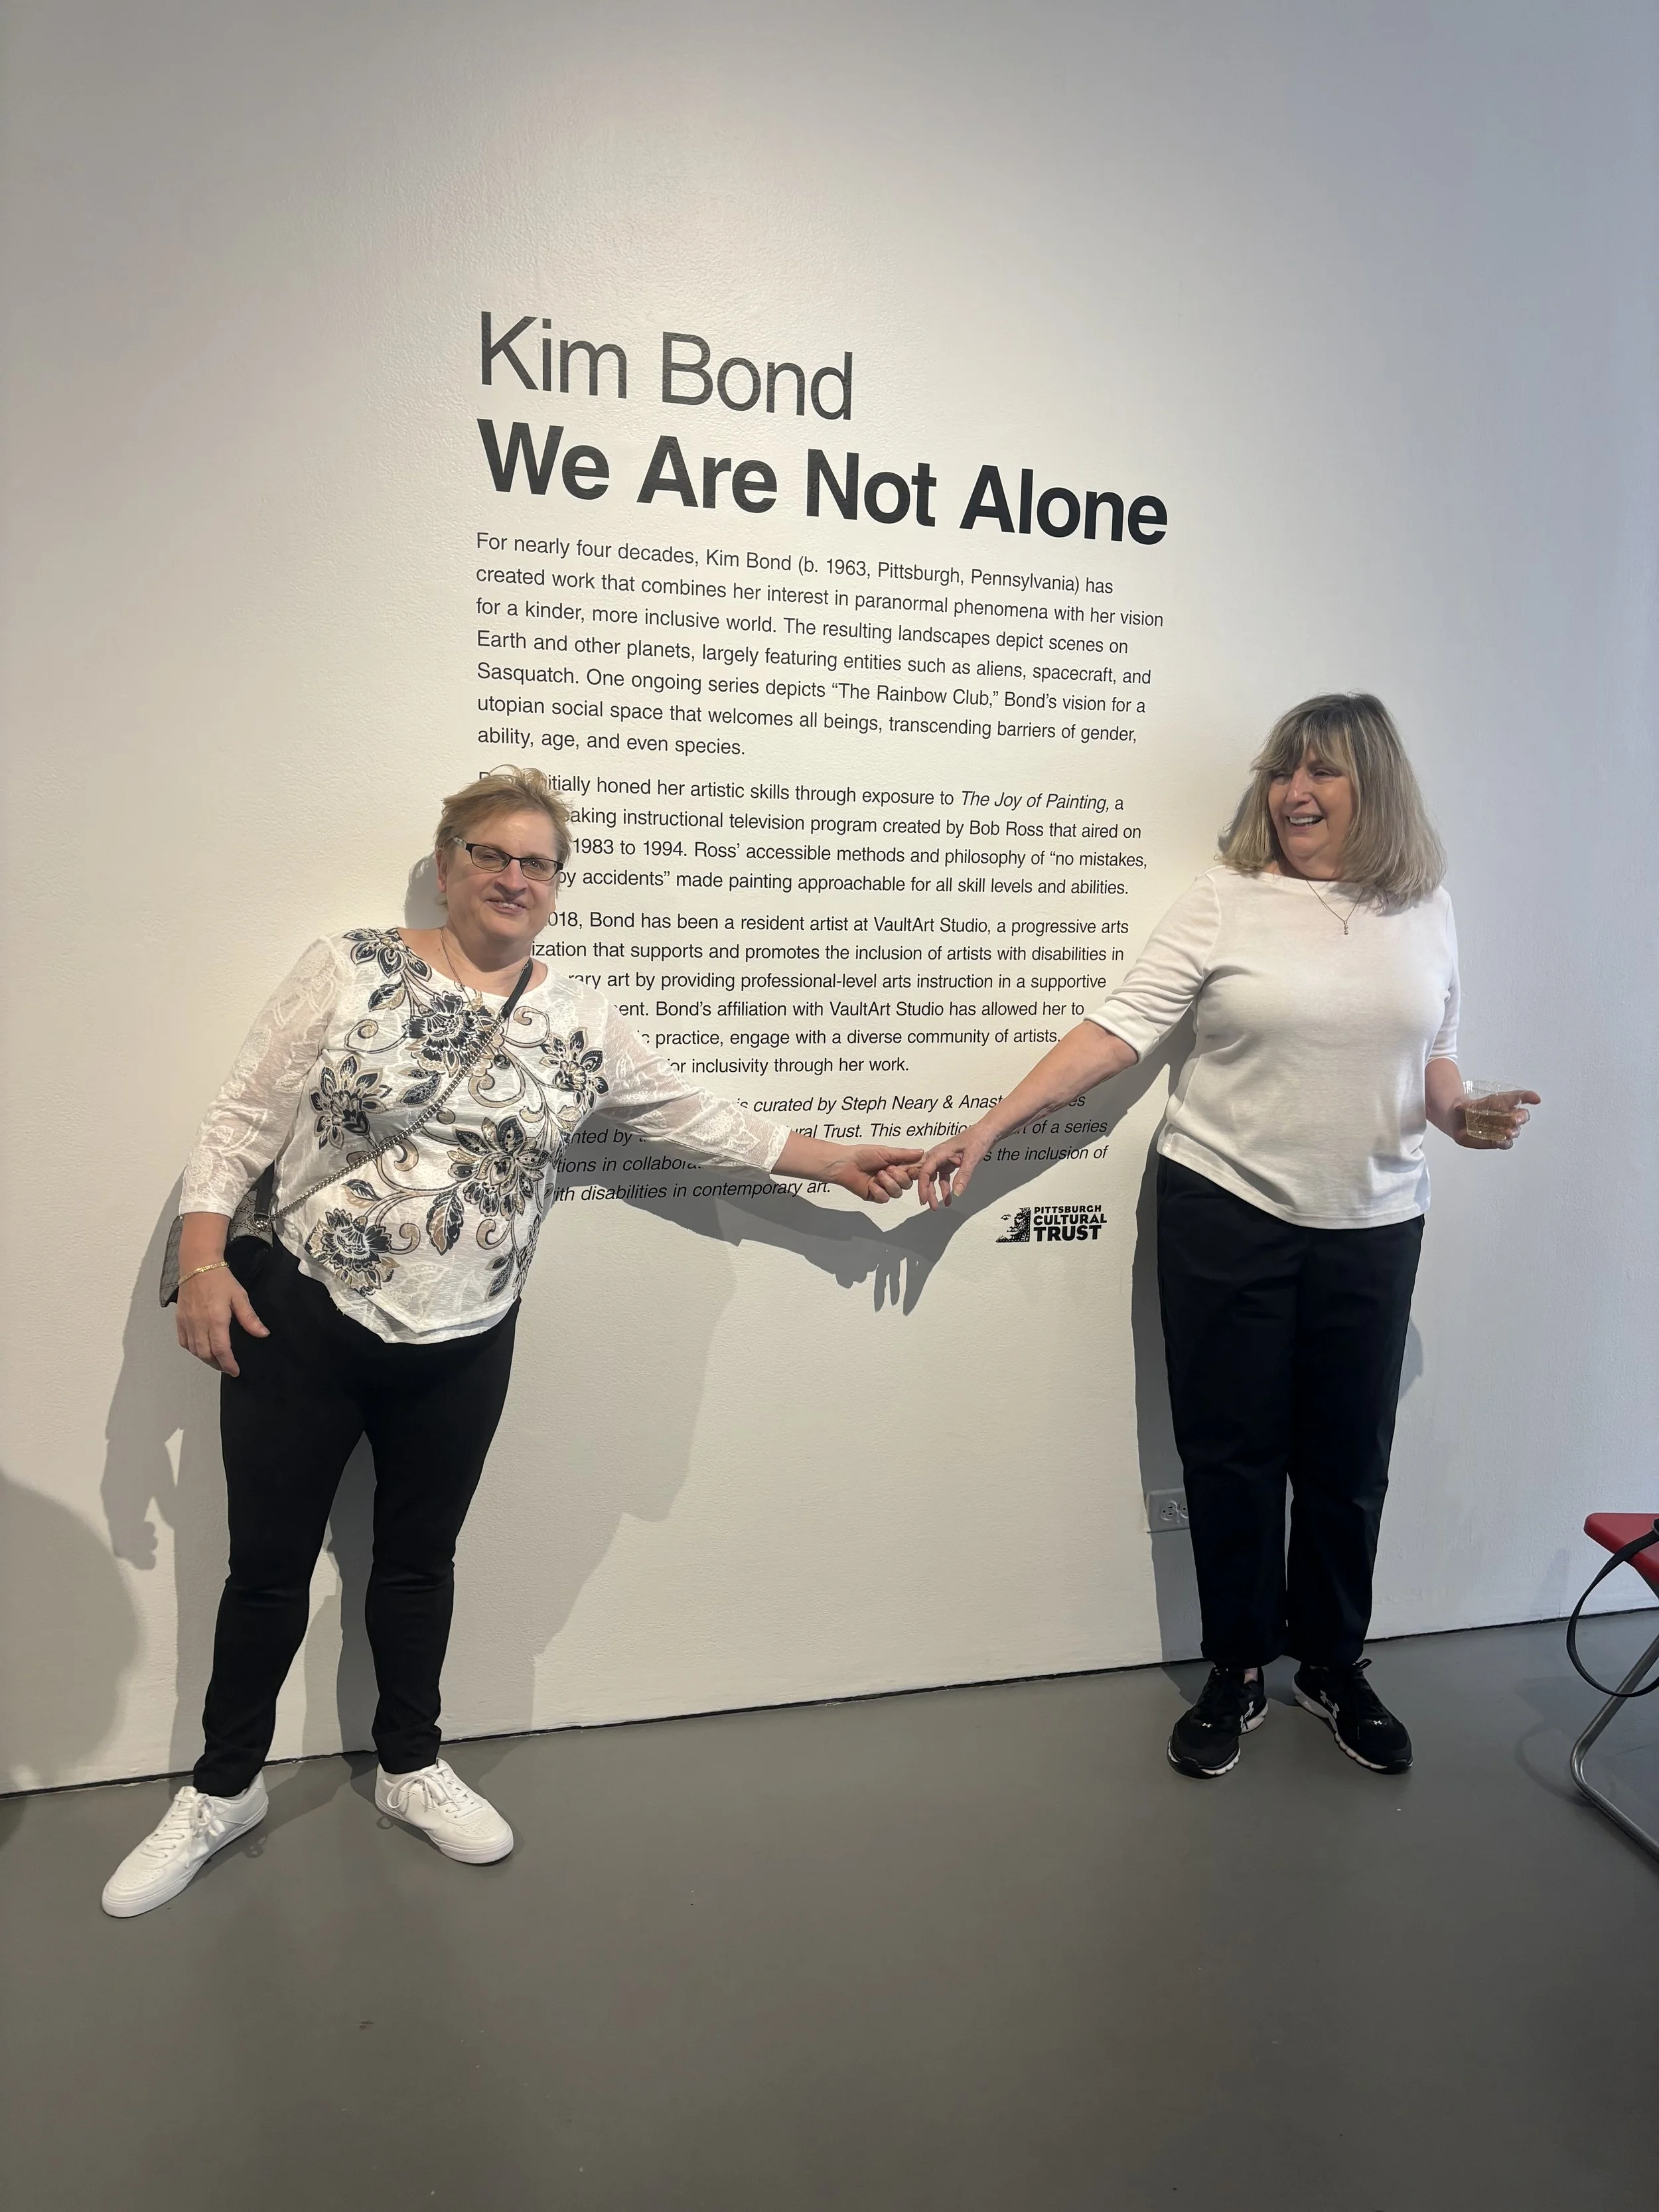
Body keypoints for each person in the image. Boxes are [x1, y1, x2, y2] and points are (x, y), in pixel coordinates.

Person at [103, 767, 919, 1917]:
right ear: (447, 866)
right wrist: (201, 1263)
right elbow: (240, 1120)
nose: (514, 877)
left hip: (468, 1331)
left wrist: (834, 1160)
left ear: (556, 885)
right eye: (492, 854)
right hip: (302, 1314)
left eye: (538, 863)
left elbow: (694, 1117)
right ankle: (222, 1787)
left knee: (418, 1561)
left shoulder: (579, 1017)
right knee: (268, 1567)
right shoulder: (348, 965)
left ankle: (410, 1764)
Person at [915, 695, 1538, 1781]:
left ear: (1375, 784)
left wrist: (1459, 1112)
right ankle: (1239, 1666)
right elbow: (1119, 1030)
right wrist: (988, 1129)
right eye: (1282, 772)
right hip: (1227, 1204)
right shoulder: (1226, 898)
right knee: (1231, 1450)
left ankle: (1333, 1665)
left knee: (1350, 1459)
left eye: (1322, 772)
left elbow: (1434, 1052)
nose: (1294, 792)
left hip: (1375, 1216)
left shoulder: (1427, 907)